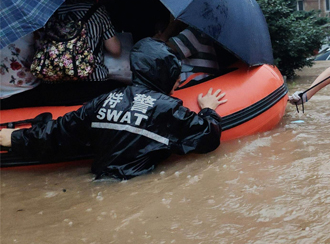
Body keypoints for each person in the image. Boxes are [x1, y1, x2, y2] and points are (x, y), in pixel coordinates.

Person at [0, 38, 227, 180]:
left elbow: (59, 132)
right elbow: (208, 137)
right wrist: (208, 109)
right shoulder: (167, 109)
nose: (178, 83)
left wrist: (16, 137)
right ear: (166, 75)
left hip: (97, 180)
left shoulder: (103, 100)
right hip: (138, 185)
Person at [1, 0, 123, 109]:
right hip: (91, 85)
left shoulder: (47, 14)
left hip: (52, 89)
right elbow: (115, 50)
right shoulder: (97, 11)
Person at [154, 20, 220, 87]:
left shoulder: (196, 31)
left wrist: (172, 25)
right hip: (199, 82)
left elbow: (162, 49)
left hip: (198, 82)